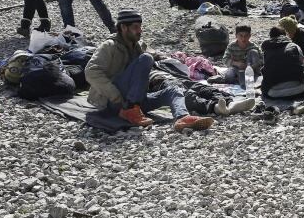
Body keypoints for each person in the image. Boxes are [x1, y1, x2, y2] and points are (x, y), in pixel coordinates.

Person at [84, 9, 214, 130]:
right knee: (146, 58)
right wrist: (115, 96)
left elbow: (153, 55)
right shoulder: (109, 46)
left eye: (140, 27)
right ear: (123, 27)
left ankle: (182, 118)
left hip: (137, 100)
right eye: (135, 27)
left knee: (174, 90)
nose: (140, 30)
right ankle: (130, 109)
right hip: (114, 101)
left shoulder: (137, 45)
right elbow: (91, 71)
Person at [260, 26, 304, 97]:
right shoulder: (295, 46)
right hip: (299, 89)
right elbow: (302, 66)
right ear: (285, 35)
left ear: (270, 37)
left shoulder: (266, 50)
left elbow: (265, 69)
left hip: (273, 92)